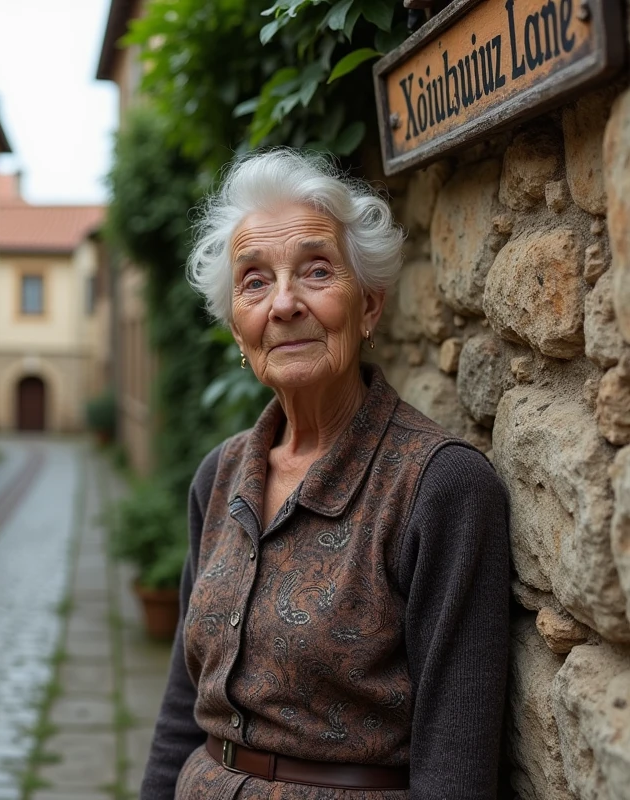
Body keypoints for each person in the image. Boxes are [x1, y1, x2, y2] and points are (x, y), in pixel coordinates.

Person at [141, 150, 510, 799]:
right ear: (238, 329)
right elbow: (182, 707)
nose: (284, 303)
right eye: (255, 282)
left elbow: (457, 767)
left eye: (315, 271)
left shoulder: (438, 486)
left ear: (369, 306)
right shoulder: (221, 474)